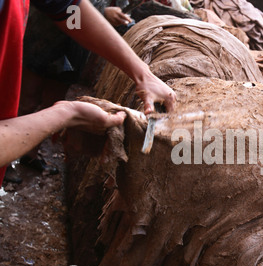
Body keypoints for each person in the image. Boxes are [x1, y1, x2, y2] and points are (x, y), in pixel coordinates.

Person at [0, 0, 176, 186]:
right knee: (27, 97)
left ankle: (28, 153)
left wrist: (143, 74)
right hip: (43, 40)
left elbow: (66, 7)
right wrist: (67, 115)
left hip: (67, 48)